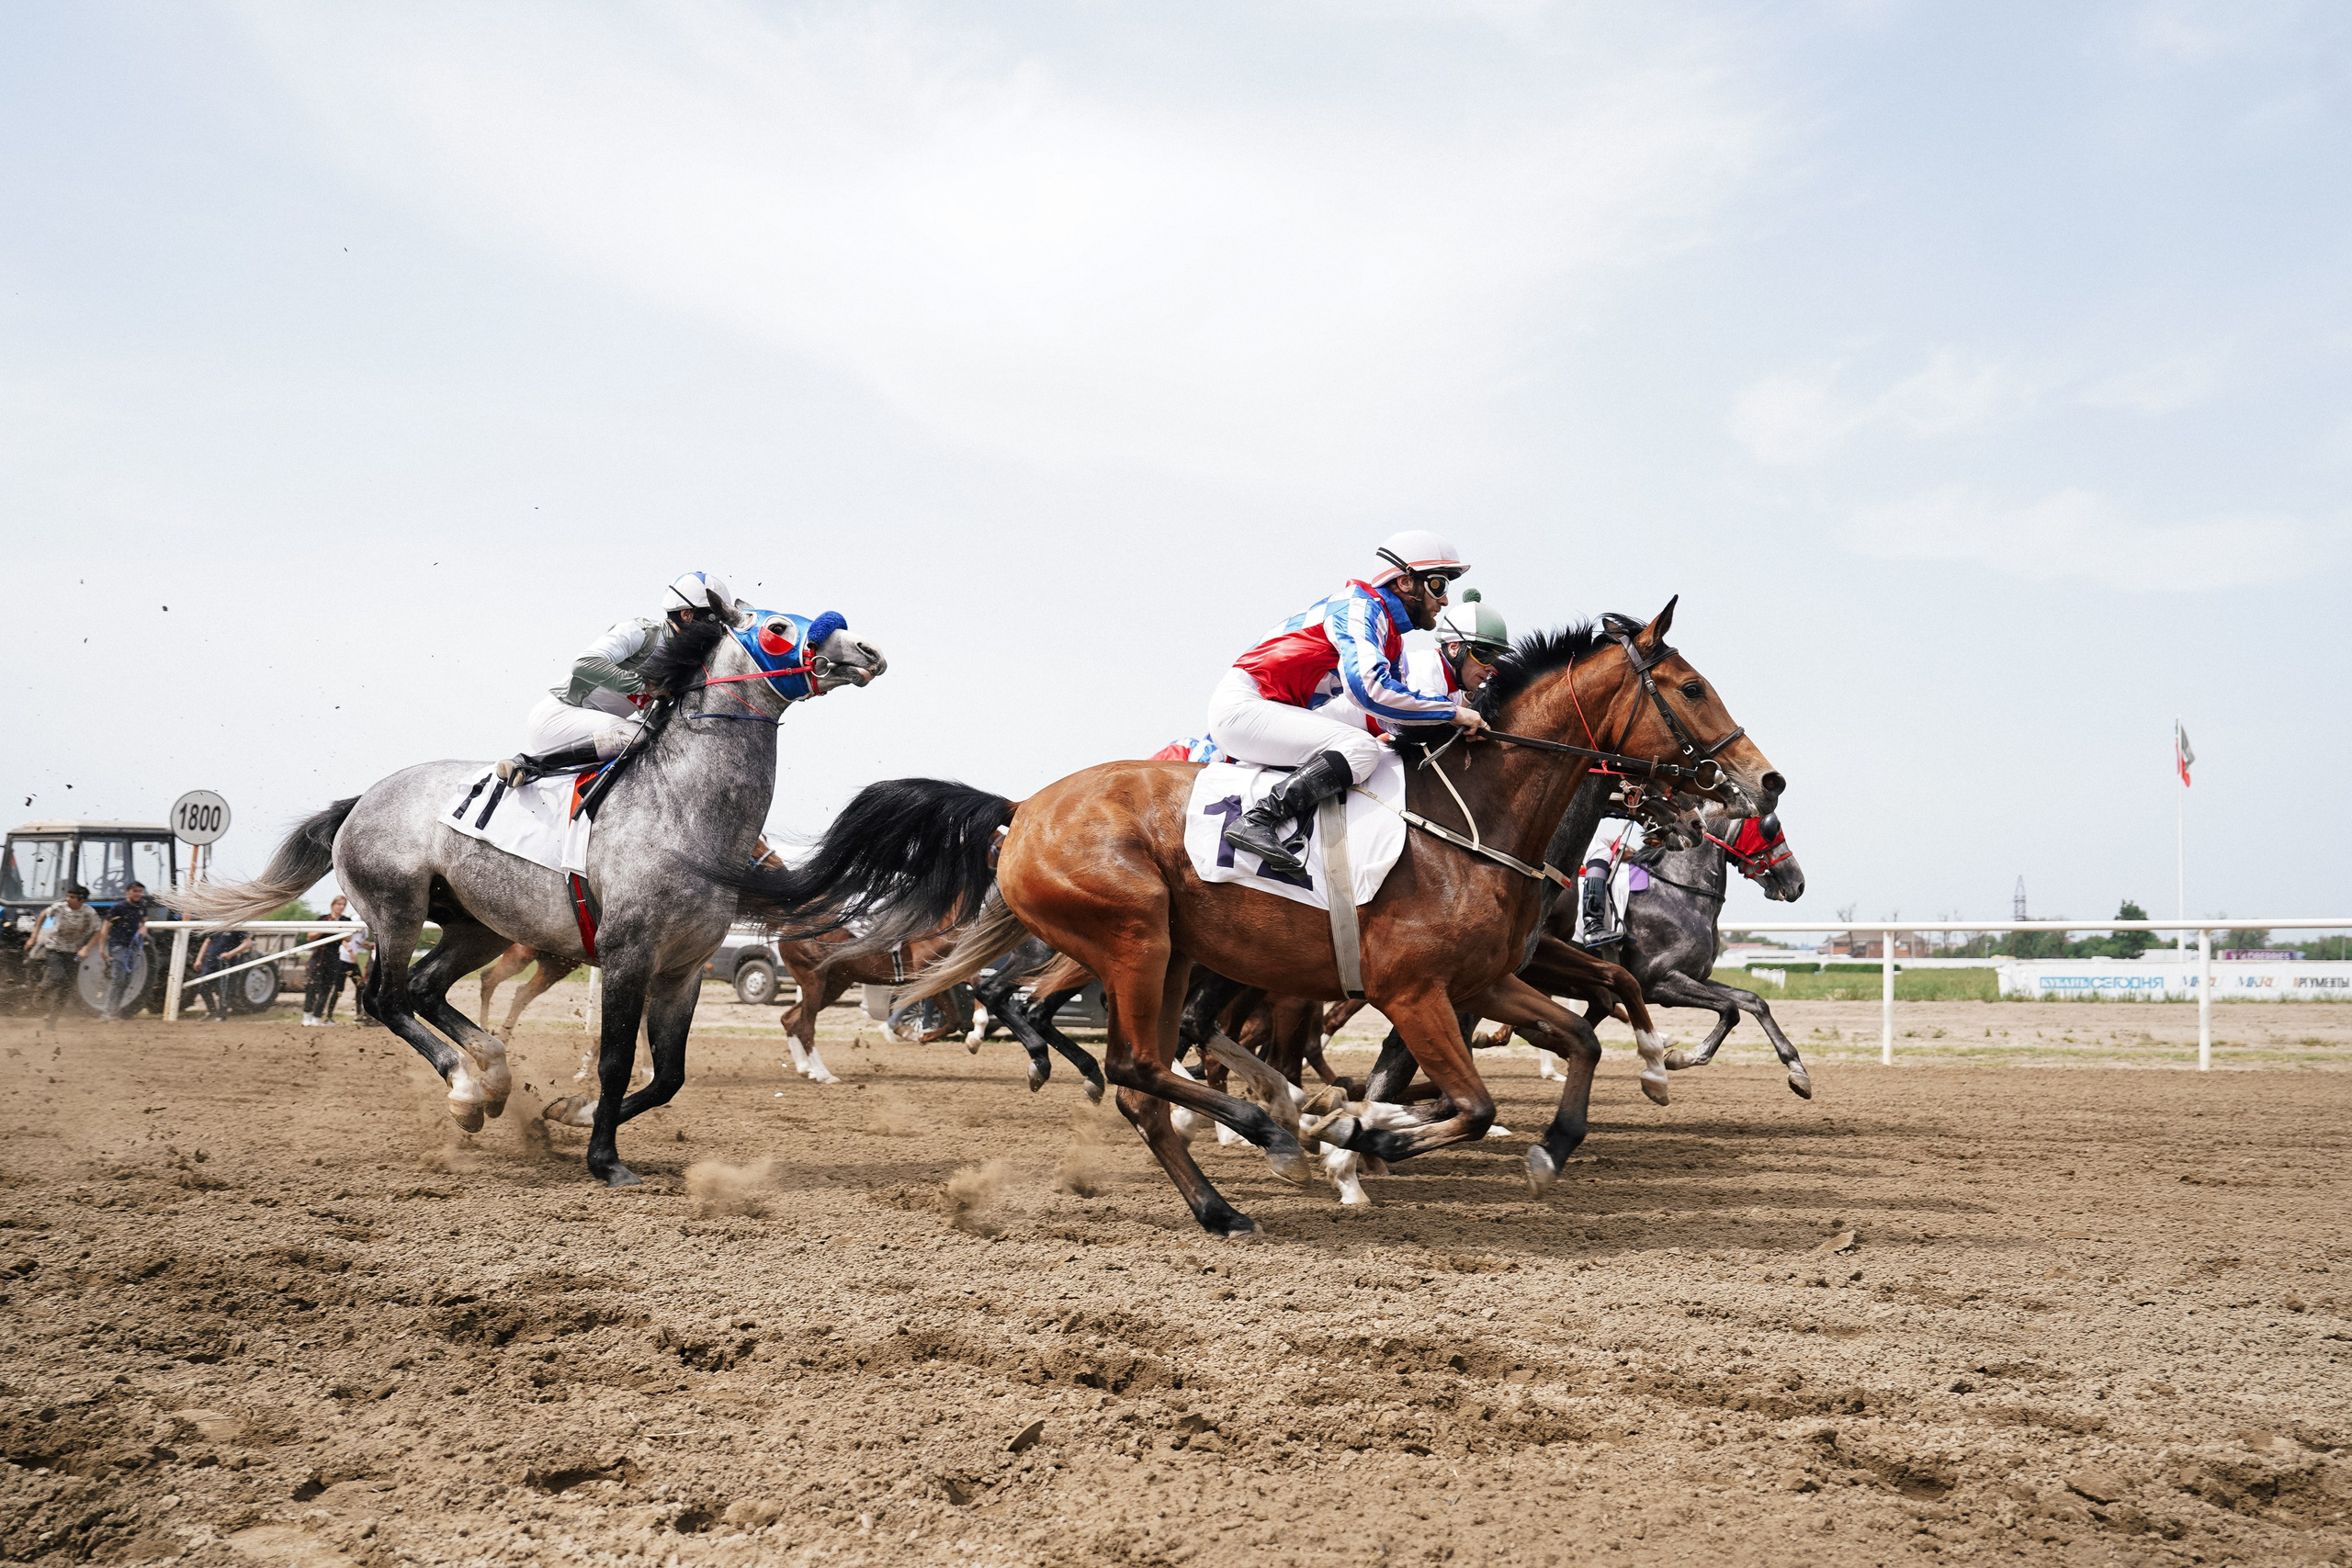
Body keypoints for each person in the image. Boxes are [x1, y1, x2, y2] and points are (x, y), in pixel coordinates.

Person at [1211, 531, 1482, 873]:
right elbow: (1368, 690)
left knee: (1378, 753)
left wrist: (1452, 731)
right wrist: (1453, 712)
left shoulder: (1390, 636)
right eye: (1439, 586)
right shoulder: (1360, 608)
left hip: (1266, 710)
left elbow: (1391, 720)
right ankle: (1259, 819)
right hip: (1244, 707)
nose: (1444, 602)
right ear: (1405, 582)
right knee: (1362, 748)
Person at [496, 571, 748, 786]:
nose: (719, 631)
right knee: (635, 736)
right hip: (557, 717)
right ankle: (527, 763)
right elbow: (583, 665)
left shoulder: (683, 659)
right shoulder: (639, 632)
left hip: (598, 729)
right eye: (714, 619)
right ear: (686, 615)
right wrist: (644, 686)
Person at [28, 881, 102, 1028]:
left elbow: (98, 931)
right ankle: (41, 990)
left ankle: (52, 1021)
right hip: (55, 948)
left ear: (82, 900)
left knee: (67, 988)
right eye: (68, 896)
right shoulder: (59, 907)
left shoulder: (89, 913)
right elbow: (43, 914)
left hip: (73, 951)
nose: (68, 899)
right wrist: (34, 936)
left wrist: (87, 948)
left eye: (72, 897)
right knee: (58, 976)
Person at [97, 881, 150, 1021]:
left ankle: (113, 1012)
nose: (138, 894)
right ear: (127, 892)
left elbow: (143, 922)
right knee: (118, 979)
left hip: (132, 946)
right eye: (135, 891)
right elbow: (105, 928)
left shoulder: (142, 906)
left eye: (140, 891)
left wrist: (144, 928)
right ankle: (107, 1012)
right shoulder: (118, 908)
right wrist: (102, 949)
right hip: (118, 945)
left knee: (126, 981)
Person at [302, 896, 351, 1027]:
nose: (340, 907)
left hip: (334, 957)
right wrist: (327, 926)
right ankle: (307, 1014)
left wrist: (338, 925)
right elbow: (310, 936)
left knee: (326, 989)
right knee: (312, 987)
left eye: (343, 904)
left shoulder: (346, 920)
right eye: (338, 904)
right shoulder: (322, 918)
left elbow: (349, 937)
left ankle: (317, 1017)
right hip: (319, 956)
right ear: (333, 905)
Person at [194, 926, 254, 1021]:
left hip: (228, 963)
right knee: (203, 987)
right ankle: (211, 1011)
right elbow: (207, 941)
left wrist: (230, 954)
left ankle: (221, 1015)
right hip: (211, 961)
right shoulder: (216, 924)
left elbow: (247, 943)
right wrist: (198, 959)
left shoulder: (237, 926)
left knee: (225, 990)